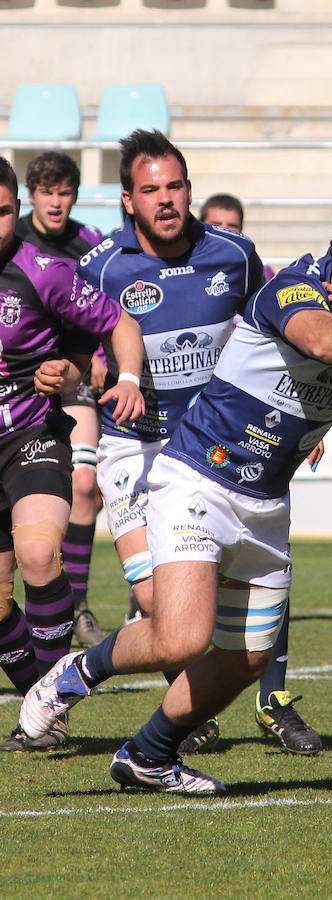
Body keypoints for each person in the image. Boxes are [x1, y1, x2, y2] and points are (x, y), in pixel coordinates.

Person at [19, 193, 332, 794]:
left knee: (247, 657)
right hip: (198, 477)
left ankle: (148, 756)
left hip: (266, 503)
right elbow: (325, 343)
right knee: (181, 635)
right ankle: (72, 673)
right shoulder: (295, 288)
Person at [73, 129, 274, 756]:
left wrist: (291, 421)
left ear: (189, 189)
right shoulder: (101, 267)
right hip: (132, 448)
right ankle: (162, 707)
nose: (166, 200)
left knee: (218, 610)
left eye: (175, 186)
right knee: (154, 597)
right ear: (128, 200)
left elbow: (283, 328)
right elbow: (70, 348)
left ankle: (185, 712)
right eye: (150, 190)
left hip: (210, 455)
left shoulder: (234, 256)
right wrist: (83, 373)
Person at [0, 155, 145, 752]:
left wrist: (121, 377)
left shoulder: (44, 271)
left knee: (38, 556)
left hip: (31, 437)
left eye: (3, 211)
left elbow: (118, 321)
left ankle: (49, 701)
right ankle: (42, 692)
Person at [201, 190, 317, 752]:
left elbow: (305, 352)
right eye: (217, 224)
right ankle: (188, 705)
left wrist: (308, 425)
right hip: (181, 441)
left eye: (235, 226)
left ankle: (273, 700)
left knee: (267, 568)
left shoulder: (254, 273)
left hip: (248, 439)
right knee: (177, 590)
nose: (226, 234)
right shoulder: (165, 271)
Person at [15, 151, 108, 648]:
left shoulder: (89, 244)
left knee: (86, 483)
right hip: (16, 384)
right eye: (47, 192)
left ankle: (80, 604)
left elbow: (106, 307)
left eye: (64, 192)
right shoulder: (13, 240)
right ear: (31, 195)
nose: (56, 201)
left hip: (71, 377)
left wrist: (97, 353)